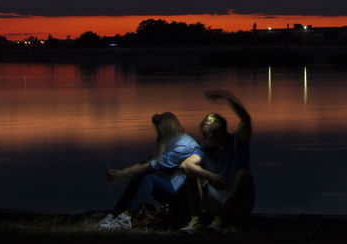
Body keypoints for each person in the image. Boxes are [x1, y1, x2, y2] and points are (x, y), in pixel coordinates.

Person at [98, 111, 200, 230]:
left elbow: (152, 165)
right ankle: (115, 214)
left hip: (184, 196)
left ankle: (126, 218)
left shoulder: (184, 146)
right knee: (141, 176)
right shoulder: (172, 141)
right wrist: (123, 172)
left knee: (149, 178)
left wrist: (122, 174)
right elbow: (148, 162)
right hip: (173, 186)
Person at [180, 89, 255, 232]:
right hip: (217, 199)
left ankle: (220, 220)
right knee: (191, 174)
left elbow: (246, 119)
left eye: (206, 134)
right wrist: (209, 175)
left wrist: (227, 98)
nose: (202, 137)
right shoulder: (207, 150)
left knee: (245, 176)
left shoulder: (237, 143)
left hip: (238, 202)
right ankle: (196, 220)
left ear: (219, 133)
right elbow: (185, 165)